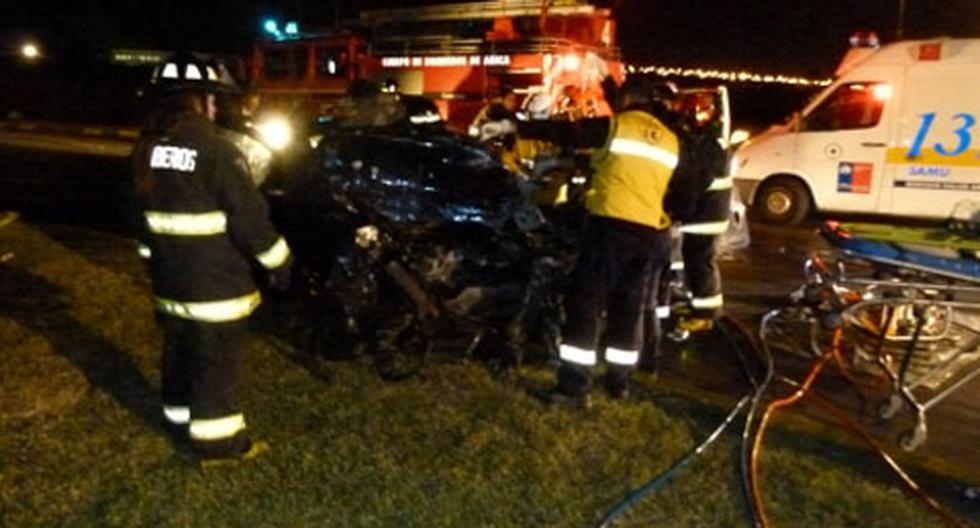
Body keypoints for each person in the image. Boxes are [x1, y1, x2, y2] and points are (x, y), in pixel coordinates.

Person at [130, 51, 293, 462]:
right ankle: (219, 445)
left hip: (171, 281)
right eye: (214, 98)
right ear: (201, 100)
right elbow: (249, 219)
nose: (218, 106)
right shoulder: (217, 151)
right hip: (215, 284)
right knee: (215, 364)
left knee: (180, 353)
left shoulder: (146, 148)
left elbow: (139, 218)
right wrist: (280, 263)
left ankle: (176, 417)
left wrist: (154, 261)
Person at [540, 76, 680, 407]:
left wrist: (520, 127)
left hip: (611, 229)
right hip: (649, 234)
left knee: (586, 306)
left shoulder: (617, 126)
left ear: (628, 98)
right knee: (628, 311)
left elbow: (569, 133)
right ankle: (619, 383)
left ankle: (574, 388)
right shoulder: (671, 140)